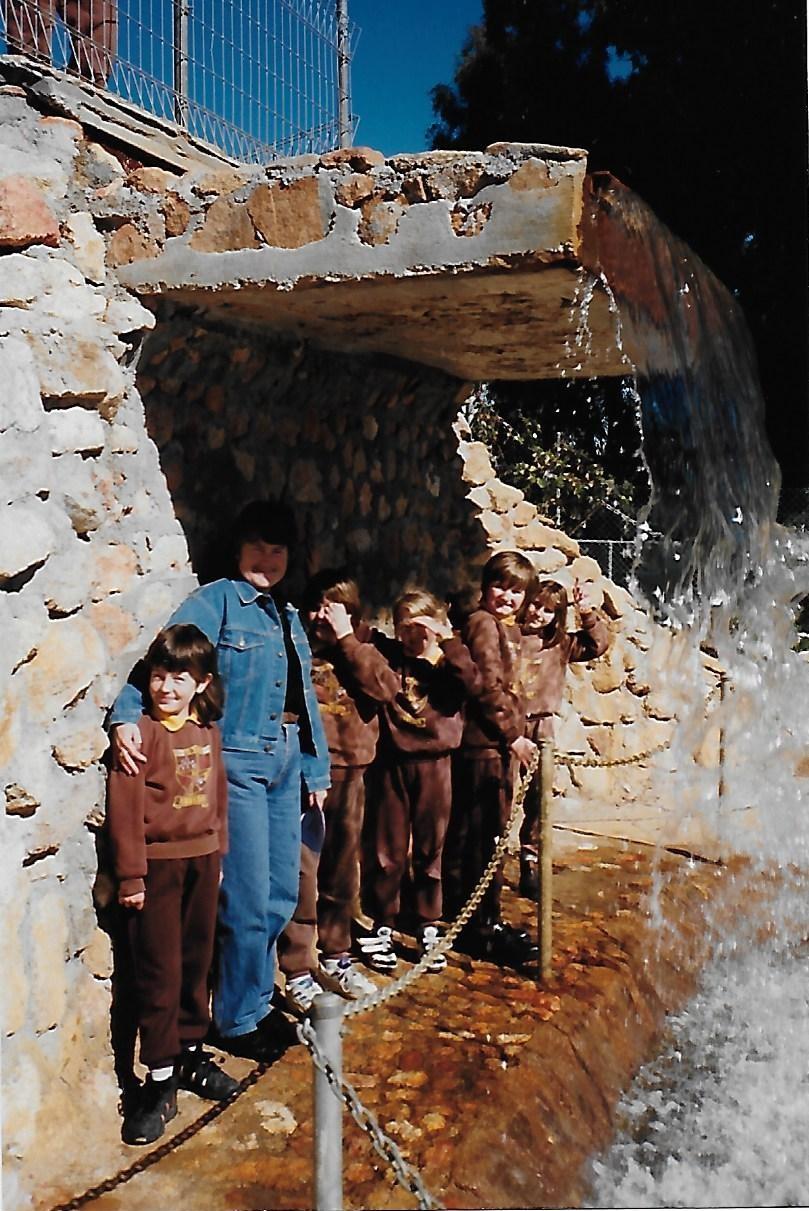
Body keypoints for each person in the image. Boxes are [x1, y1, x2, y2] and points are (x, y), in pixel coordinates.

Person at [108, 501, 330, 1062]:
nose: (267, 560)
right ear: (237, 550)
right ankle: (237, 1019)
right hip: (239, 763)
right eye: (257, 548)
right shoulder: (218, 601)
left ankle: (252, 997)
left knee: (281, 892)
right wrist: (125, 718)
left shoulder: (288, 615)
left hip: (286, 759)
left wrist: (315, 767)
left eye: (277, 550)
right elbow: (164, 659)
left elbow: (304, 699)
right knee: (247, 898)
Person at [107, 624, 237, 1146]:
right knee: (159, 970)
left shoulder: (207, 730)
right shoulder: (140, 737)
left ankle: (189, 1054)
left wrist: (219, 852)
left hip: (202, 862)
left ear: (201, 683)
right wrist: (131, 875)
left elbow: (217, 795)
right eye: (159, 676)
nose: (166, 688)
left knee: (197, 963)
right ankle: (159, 1077)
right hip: (158, 869)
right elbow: (125, 811)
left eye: (180, 678)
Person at [278, 569, 398, 1014]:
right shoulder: (297, 647)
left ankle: (337, 955)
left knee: (343, 873)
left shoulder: (365, 646)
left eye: (334, 609)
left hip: (351, 773)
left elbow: (386, 689)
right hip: (305, 778)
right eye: (317, 608)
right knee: (303, 874)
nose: (322, 617)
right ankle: (297, 967)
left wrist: (347, 640)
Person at [360, 589, 482, 974]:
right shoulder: (390, 655)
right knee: (387, 847)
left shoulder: (449, 663)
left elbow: (472, 680)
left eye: (419, 628)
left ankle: (428, 922)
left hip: (435, 764)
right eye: (404, 627)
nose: (412, 636)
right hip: (393, 762)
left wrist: (445, 638)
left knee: (431, 847)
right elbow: (356, 632)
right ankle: (383, 921)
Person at [443, 550, 538, 968]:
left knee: (487, 836)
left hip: (491, 746)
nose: (507, 597)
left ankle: (484, 918)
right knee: (483, 839)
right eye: (501, 586)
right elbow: (485, 686)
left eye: (516, 591)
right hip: (483, 747)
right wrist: (512, 735)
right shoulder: (483, 624)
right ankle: (479, 928)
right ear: (485, 587)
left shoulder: (501, 626)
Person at [517, 578, 610, 898]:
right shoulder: (508, 635)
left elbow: (597, 644)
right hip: (507, 724)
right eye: (535, 605)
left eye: (547, 610)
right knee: (498, 794)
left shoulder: (559, 643)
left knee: (539, 796)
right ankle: (490, 862)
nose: (538, 613)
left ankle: (530, 859)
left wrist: (587, 613)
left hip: (541, 726)